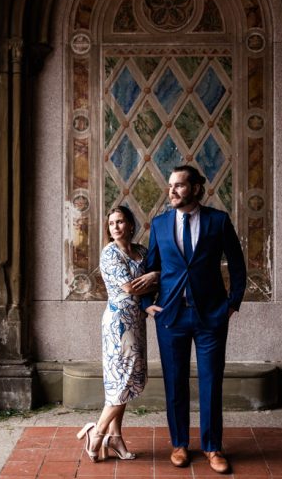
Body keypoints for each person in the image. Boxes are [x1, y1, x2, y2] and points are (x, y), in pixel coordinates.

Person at [142, 165, 247, 475]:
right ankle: (179, 444)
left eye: (179, 185)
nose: (172, 191)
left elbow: (238, 266)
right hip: (171, 316)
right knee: (175, 383)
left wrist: (232, 304)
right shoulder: (160, 224)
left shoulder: (218, 221)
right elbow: (151, 268)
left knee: (211, 382)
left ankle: (213, 447)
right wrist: (148, 304)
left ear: (196, 188)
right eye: (170, 185)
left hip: (211, 316)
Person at [77, 205, 159, 462]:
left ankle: (115, 437)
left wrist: (155, 275)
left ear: (130, 225)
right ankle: (97, 432)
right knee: (122, 379)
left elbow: (156, 280)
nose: (116, 227)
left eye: (120, 222)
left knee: (126, 378)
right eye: (111, 224)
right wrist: (154, 277)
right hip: (118, 323)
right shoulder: (109, 253)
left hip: (138, 320)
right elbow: (129, 287)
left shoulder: (143, 252)